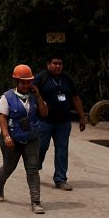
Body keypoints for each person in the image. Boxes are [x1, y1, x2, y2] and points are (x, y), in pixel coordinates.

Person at [0, 64, 49, 214]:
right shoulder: (7, 97)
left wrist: (38, 96)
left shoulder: (34, 97)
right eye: (22, 82)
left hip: (31, 138)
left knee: (32, 168)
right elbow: (2, 118)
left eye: (28, 82)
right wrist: (6, 136)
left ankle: (35, 201)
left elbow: (44, 114)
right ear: (16, 82)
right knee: (8, 167)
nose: (26, 85)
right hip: (11, 139)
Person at [35, 55, 86, 191]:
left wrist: (82, 117)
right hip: (44, 122)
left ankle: (60, 179)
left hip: (63, 122)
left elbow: (75, 98)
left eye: (60, 63)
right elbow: (30, 94)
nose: (58, 66)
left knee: (62, 151)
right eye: (55, 63)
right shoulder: (41, 78)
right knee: (41, 148)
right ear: (48, 64)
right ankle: (34, 169)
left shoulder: (67, 80)